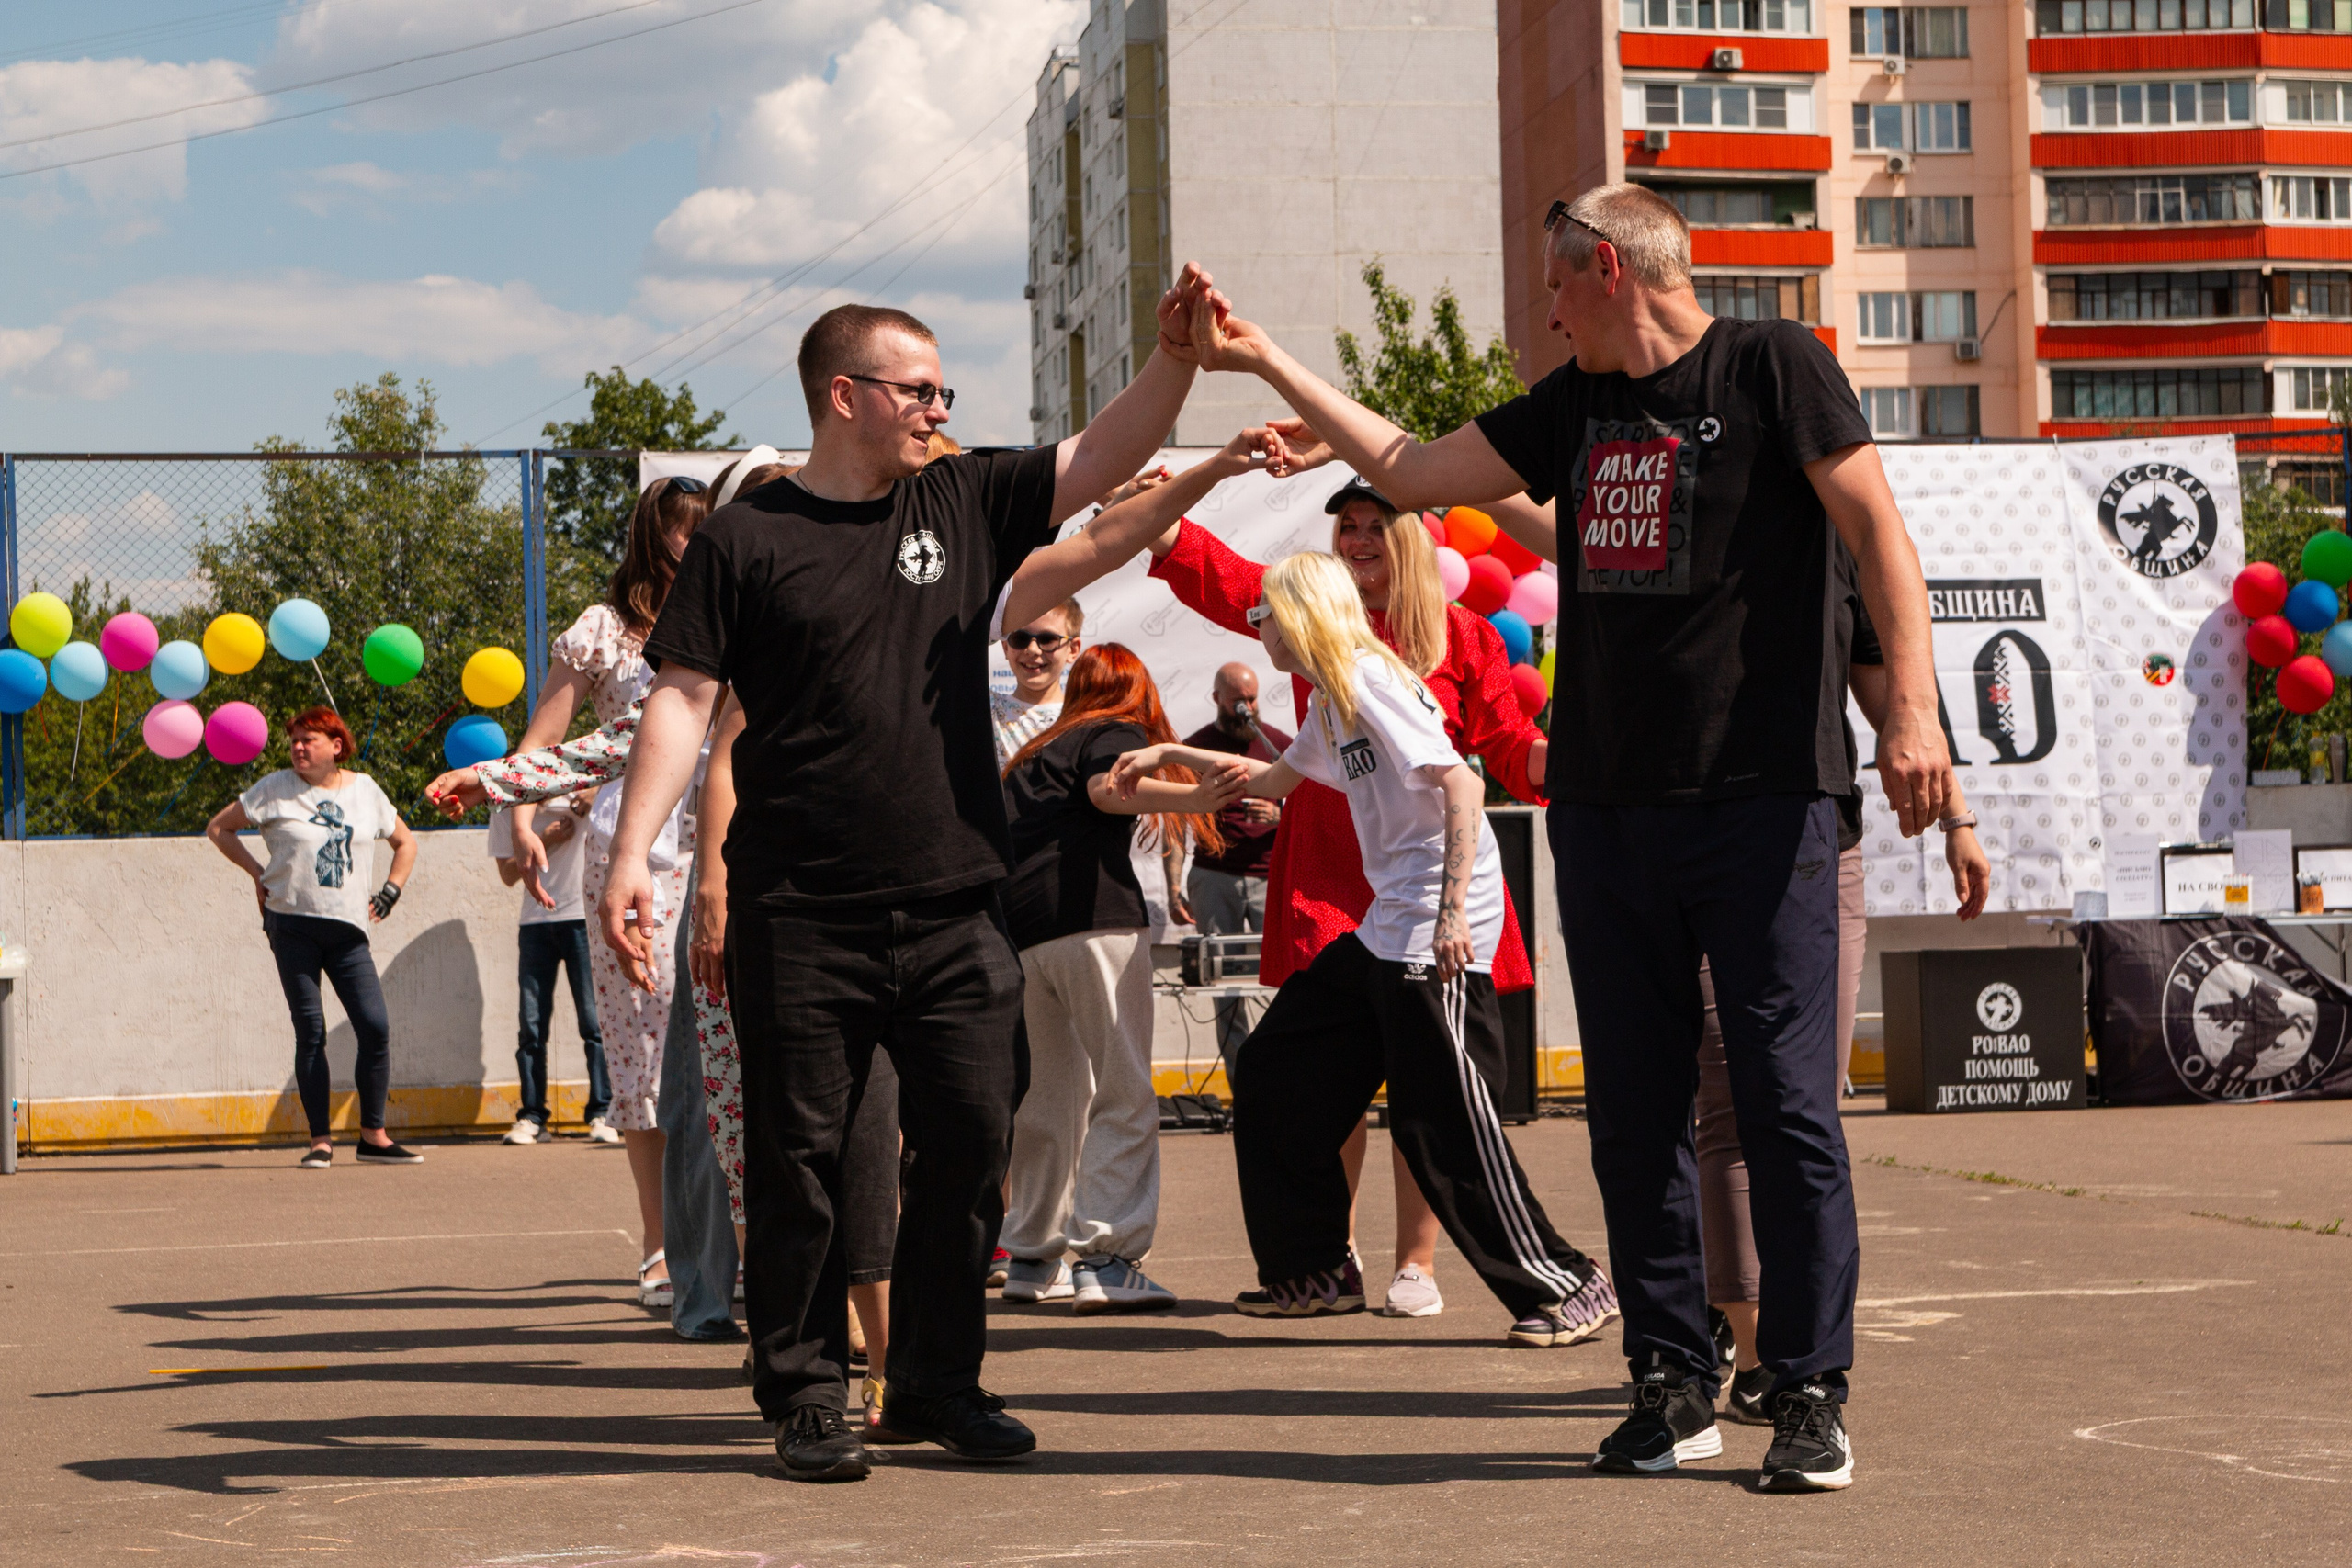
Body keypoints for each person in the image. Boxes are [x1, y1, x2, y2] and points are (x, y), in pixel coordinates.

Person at [1176, 182, 1960, 1492]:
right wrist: (1262, 357)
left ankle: (1810, 1388)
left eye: (1554, 285)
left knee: (1782, 1106)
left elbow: (1878, 529)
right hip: (1607, 810)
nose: (1544, 312)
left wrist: (1916, 714)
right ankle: (1669, 1378)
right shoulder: (1572, 408)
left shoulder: (1775, 363)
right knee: (1631, 1110)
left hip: (1767, 797)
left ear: (1605, 265)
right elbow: (1415, 469)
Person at [598, 279, 1233, 1482]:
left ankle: (937, 1382)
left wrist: (1175, 360)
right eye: (918, 389)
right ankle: (806, 1391)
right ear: (846, 396)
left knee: (970, 1146)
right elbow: (683, 696)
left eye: (947, 389)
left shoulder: (961, 491)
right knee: (801, 1159)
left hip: (954, 907)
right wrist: (634, 852)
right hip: (800, 907)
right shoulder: (746, 540)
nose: (940, 408)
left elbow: (1107, 452)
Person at [1107, 552, 1600, 1343]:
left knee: (1440, 1124)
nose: (1258, 625)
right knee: (1272, 1072)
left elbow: (1464, 785)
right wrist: (1172, 755)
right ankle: (1315, 1270)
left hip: (1430, 931)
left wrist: (1448, 918)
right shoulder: (1332, 699)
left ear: (1299, 613)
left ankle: (1565, 1285)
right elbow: (1272, 781)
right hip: (1381, 929)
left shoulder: (1372, 681)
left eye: (1265, 612)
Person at [1701, 585, 1989, 1420]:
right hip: (1694, 843)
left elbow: (1893, 705)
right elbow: (1537, 505)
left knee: (1804, 1103)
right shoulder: (1689, 508)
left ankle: (1786, 1342)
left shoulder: (1842, 553)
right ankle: (1754, 1352)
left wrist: (1957, 820)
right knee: (1725, 1103)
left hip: (1821, 850)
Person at [505, 471, 711, 1307]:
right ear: (655, 533)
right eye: (684, 527)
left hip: (727, 841)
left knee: (721, 1048)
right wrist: (521, 811)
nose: (696, 542)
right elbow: (547, 736)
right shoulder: (605, 629)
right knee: (642, 1044)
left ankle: (731, 1240)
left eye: (707, 526)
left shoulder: (733, 609)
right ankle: (662, 1245)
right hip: (633, 849)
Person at [999, 641, 1238, 1313]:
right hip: (1094, 924)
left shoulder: (1032, 754)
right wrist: (1197, 790)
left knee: (1045, 1097)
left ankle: (1030, 1252)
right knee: (1125, 1084)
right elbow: (1110, 788)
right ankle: (1107, 1256)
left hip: (1023, 936)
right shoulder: (1114, 732)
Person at [204, 705, 420, 1168]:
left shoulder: (365, 790)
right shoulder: (274, 788)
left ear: (336, 747)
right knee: (312, 1031)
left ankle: (373, 1136)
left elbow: (406, 842)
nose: (299, 747)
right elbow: (218, 828)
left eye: (310, 740)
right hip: (292, 924)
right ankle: (320, 1141)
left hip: (348, 931)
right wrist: (257, 873)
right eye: (295, 740)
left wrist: (391, 890)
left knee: (375, 1028)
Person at [1180, 662, 1287, 1065]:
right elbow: (1176, 818)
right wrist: (1177, 886)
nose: (1247, 708)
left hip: (1269, 875)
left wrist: (1281, 816)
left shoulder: (1279, 745)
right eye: (1237, 700)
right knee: (1223, 988)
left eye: (1252, 699)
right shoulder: (1196, 748)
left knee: (1287, 980)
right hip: (1214, 876)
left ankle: (1280, 1072)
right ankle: (1243, 1084)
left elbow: (1316, 806)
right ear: (1217, 700)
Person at [489, 792, 607, 1145]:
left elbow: (622, 769)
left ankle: (602, 1113)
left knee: (593, 1022)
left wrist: (594, 793)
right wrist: (546, 838)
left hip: (582, 920)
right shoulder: (505, 811)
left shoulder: (579, 793)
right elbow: (508, 874)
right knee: (531, 1026)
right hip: (535, 923)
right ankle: (532, 1117)